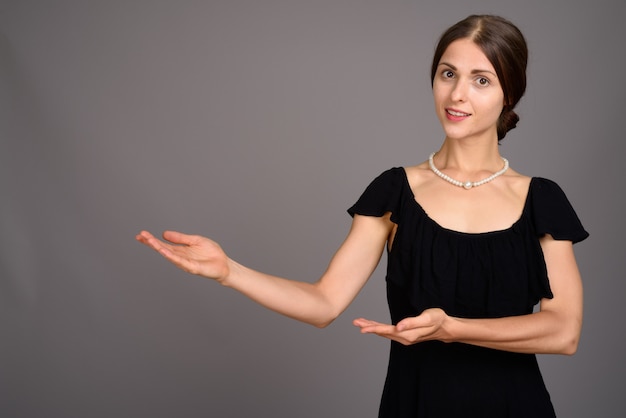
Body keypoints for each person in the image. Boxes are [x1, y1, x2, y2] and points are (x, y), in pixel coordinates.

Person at [136, 14, 588, 418]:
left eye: (480, 80)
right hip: (415, 405)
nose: (457, 93)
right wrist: (228, 271)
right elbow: (324, 303)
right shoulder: (395, 191)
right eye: (447, 74)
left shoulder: (540, 199)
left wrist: (450, 329)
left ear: (510, 93)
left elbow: (563, 332)